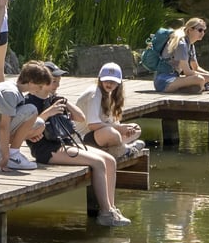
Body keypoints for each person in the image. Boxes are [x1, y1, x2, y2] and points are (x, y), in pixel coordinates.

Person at [24, 62, 131, 227]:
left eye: (59, 82)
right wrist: (48, 112)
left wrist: (64, 102)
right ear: (42, 82)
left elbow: (80, 118)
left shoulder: (54, 98)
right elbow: (28, 129)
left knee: (110, 160)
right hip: (47, 149)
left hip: (66, 144)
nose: (57, 85)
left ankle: (111, 208)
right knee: (98, 162)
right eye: (54, 82)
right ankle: (105, 212)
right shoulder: (30, 102)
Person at [0, 60, 51, 172]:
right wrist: (6, 157)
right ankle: (12, 154)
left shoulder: (17, 91)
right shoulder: (10, 92)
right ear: (31, 82)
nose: (40, 89)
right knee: (31, 110)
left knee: (39, 125)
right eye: (40, 86)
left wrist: (26, 133)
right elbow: (4, 126)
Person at [74, 62, 145, 160]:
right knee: (112, 133)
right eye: (106, 80)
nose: (109, 83)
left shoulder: (111, 95)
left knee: (136, 129)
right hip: (81, 138)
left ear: (118, 83)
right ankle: (126, 150)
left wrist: (123, 128)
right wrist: (119, 128)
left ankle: (113, 150)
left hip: (99, 136)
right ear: (100, 79)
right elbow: (92, 125)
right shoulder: (94, 93)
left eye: (113, 81)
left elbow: (111, 123)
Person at [154, 17, 209, 94]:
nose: (202, 33)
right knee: (200, 79)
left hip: (176, 78)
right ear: (190, 30)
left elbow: (196, 67)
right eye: (200, 30)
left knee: (208, 81)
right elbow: (187, 72)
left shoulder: (190, 45)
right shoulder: (181, 44)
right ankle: (200, 86)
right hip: (163, 81)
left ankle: (198, 87)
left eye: (204, 30)